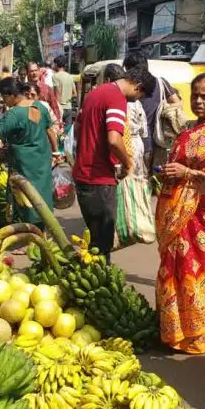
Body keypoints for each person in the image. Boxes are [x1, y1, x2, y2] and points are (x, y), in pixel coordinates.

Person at [155, 73, 205, 355]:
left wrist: (186, 173)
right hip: (175, 211)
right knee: (171, 269)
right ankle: (172, 329)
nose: (198, 101)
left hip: (201, 214)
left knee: (194, 270)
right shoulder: (188, 129)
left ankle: (196, 332)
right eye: (195, 95)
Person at [72, 66, 156, 263]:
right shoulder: (116, 98)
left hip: (84, 175)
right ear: (139, 87)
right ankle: (100, 286)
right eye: (140, 96)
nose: (136, 101)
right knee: (102, 244)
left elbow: (78, 128)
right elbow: (113, 139)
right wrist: (128, 162)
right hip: (99, 179)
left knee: (95, 240)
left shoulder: (96, 93)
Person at [0, 78, 58, 228]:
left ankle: (29, 237)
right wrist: (55, 151)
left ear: (11, 95)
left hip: (24, 164)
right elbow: (50, 130)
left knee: (24, 199)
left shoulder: (14, 114)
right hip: (42, 160)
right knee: (41, 195)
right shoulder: (40, 107)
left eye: (4, 97)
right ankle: (42, 232)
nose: (3, 101)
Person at [123, 51, 181, 169]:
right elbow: (177, 103)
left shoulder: (129, 87)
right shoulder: (161, 82)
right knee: (155, 177)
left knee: (138, 178)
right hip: (159, 140)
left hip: (134, 141)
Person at [102, 64, 149, 178]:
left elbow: (113, 140)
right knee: (134, 181)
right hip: (134, 143)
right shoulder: (134, 101)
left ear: (107, 80)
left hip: (120, 145)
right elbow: (144, 129)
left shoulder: (111, 98)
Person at [28, 61, 62, 133]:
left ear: (39, 71)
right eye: (31, 71)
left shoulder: (47, 88)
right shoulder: (23, 90)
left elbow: (54, 107)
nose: (34, 73)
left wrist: (58, 124)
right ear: (28, 73)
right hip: (30, 127)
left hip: (46, 126)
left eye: (35, 70)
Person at [52, 55, 77, 126]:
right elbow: (75, 94)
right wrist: (67, 98)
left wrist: (57, 109)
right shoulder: (70, 76)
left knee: (60, 132)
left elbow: (58, 94)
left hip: (60, 108)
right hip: (69, 108)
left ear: (56, 64)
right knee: (68, 131)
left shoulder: (55, 76)